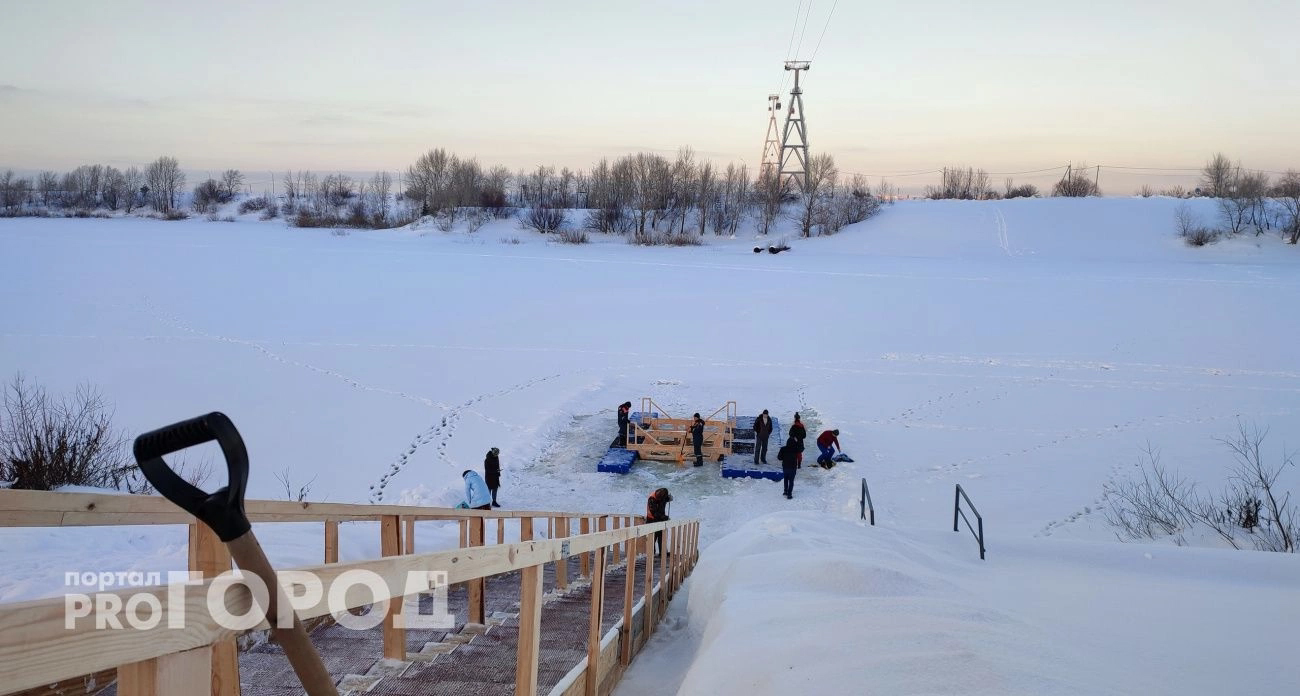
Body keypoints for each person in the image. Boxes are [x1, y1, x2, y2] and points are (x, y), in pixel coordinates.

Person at [645, 487, 672, 554]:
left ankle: (663, 552)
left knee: (662, 537)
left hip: (660, 520)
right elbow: (654, 513)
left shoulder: (662, 496)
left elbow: (668, 499)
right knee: (652, 538)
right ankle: (651, 554)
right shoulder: (652, 498)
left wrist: (669, 498)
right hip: (651, 519)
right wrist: (664, 517)